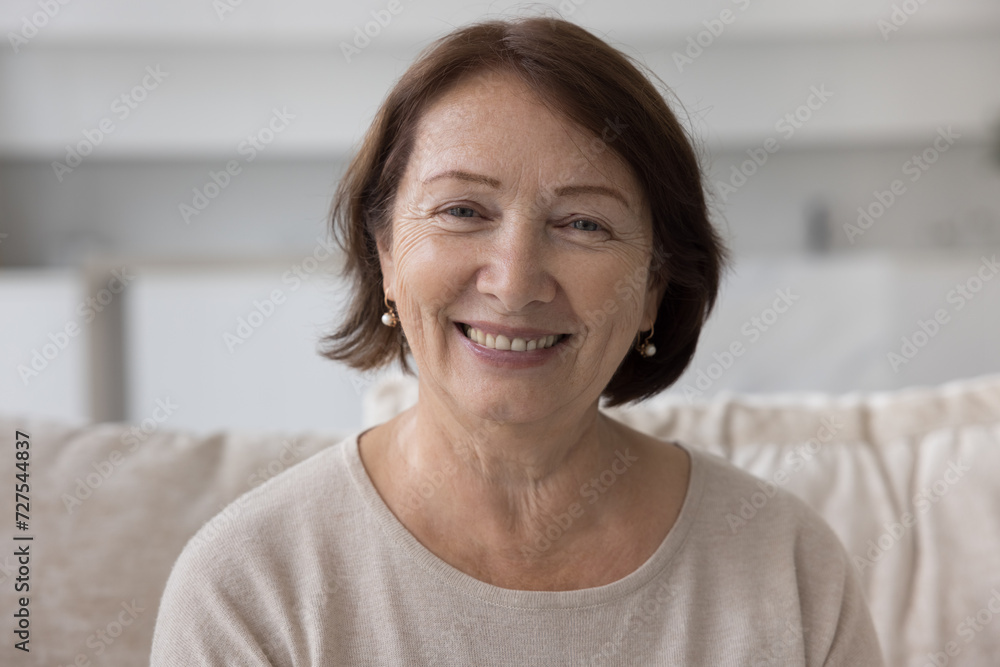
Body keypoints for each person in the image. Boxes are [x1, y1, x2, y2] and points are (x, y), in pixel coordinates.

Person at [151, 15, 884, 665]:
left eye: (584, 224)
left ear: (657, 285)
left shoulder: (789, 568)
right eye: (464, 210)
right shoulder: (248, 583)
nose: (515, 281)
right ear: (385, 258)